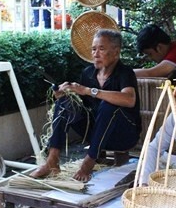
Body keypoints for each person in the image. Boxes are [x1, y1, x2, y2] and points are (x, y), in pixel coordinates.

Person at [30, 29, 142, 182]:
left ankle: (89, 162)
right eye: (93, 49)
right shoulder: (88, 73)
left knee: (108, 106)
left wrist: (90, 91)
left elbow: (129, 99)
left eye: (101, 49)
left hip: (122, 135)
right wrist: (63, 95)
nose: (95, 54)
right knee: (65, 103)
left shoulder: (125, 73)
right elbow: (81, 105)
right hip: (95, 134)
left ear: (116, 52)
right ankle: (52, 160)